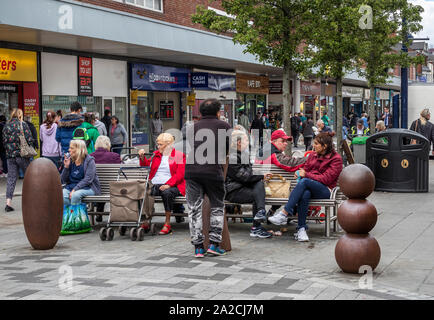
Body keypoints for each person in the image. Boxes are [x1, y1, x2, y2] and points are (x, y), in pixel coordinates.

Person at [268, 132, 343, 242]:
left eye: (316, 144)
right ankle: (301, 230)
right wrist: (300, 173)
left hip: (326, 191)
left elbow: (326, 179)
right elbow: (305, 170)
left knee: (305, 182)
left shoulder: (336, 159)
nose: (314, 146)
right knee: (305, 194)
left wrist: (306, 175)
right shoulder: (312, 155)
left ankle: (284, 213)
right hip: (310, 187)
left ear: (324, 146)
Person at [185, 98, 231, 258]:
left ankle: (198, 247)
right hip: (213, 170)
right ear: (218, 112)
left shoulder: (192, 128)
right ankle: (214, 244)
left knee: (194, 208)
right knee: (217, 206)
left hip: (191, 170)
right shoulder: (224, 126)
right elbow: (226, 149)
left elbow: (192, 146)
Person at [225, 130, 273, 238]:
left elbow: (250, 173)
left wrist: (259, 176)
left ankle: (260, 214)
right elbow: (243, 176)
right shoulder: (232, 157)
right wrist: (261, 175)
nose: (248, 142)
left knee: (258, 186)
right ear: (239, 142)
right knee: (257, 194)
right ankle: (257, 226)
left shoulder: (243, 154)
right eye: (246, 140)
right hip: (232, 191)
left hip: (242, 186)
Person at [138, 133, 186, 235]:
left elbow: (180, 174)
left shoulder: (178, 155)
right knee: (145, 189)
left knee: (167, 193)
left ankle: (167, 223)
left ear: (168, 145)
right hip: (155, 183)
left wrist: (169, 184)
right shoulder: (156, 154)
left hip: (174, 185)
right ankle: (146, 220)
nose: (158, 146)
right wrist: (142, 158)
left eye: (160, 144)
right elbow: (147, 165)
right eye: (158, 144)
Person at [255, 129, 306, 217]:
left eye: (286, 141)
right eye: (283, 141)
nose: (286, 143)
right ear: (274, 141)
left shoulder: (264, 150)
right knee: (300, 188)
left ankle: (273, 210)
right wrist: (308, 159)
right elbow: (290, 165)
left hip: (265, 186)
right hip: (270, 189)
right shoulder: (273, 154)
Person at [61, 140, 101, 234]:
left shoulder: (89, 160)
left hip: (89, 188)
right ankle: (69, 222)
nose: (69, 150)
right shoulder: (71, 160)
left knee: (75, 195)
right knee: (62, 194)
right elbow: (62, 180)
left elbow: (88, 179)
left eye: (71, 148)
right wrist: (66, 167)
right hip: (72, 187)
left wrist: (75, 189)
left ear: (78, 149)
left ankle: (79, 224)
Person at [2, 109, 35, 212]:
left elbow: (3, 141)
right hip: (22, 155)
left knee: (11, 179)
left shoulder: (6, 126)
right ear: (20, 115)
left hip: (10, 156)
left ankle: (8, 203)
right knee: (29, 177)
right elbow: (29, 139)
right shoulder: (23, 124)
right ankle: (32, 201)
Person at [90, 135, 121, 222]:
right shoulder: (115, 156)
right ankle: (116, 215)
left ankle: (99, 213)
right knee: (110, 185)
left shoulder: (90, 156)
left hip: (96, 189)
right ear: (108, 144)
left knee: (101, 185)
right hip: (112, 188)